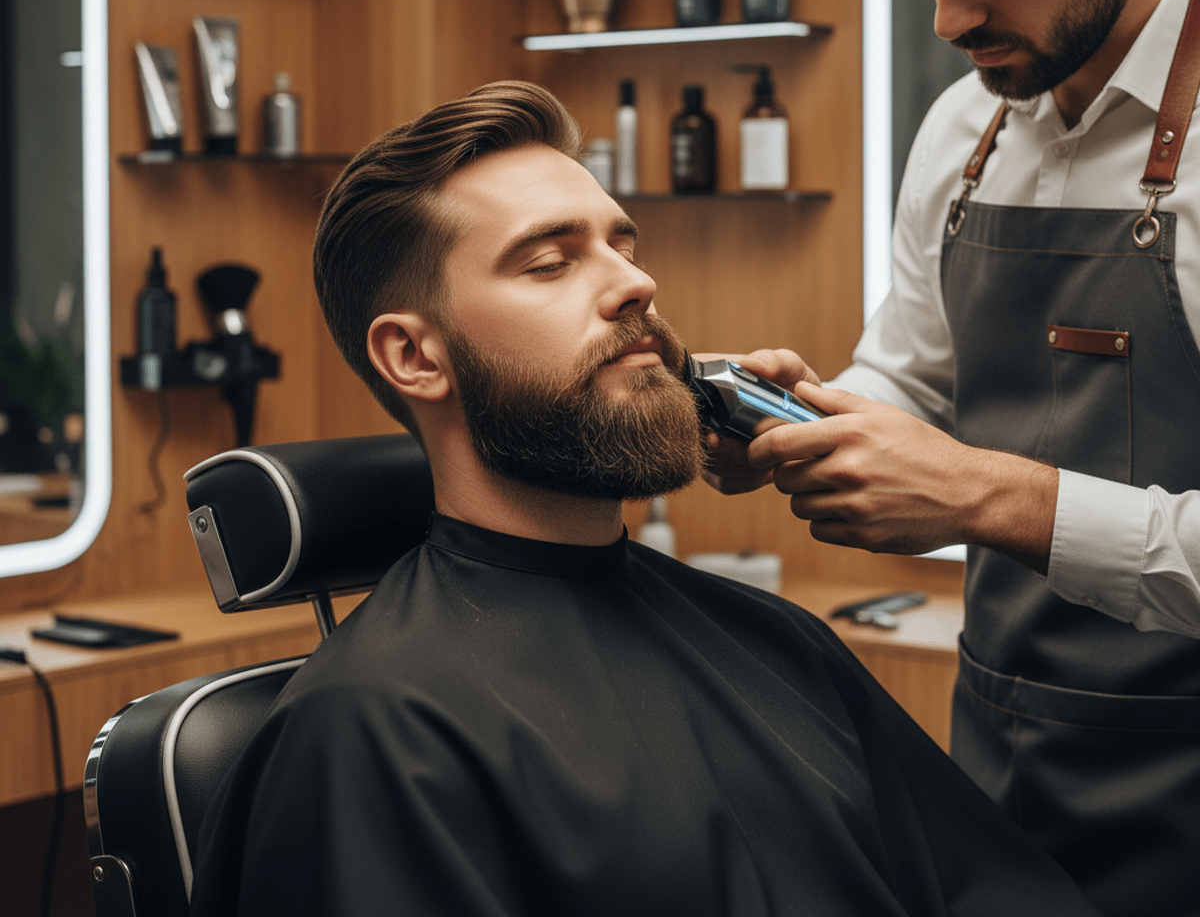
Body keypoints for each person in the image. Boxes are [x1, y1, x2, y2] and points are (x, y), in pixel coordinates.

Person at [188, 81, 1099, 916]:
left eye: (623, 246)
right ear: (415, 357)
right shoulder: (373, 732)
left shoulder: (780, 642)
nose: (636, 282)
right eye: (550, 262)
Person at [706, 0, 1200, 914]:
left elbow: (974, 479)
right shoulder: (964, 130)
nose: (946, 19)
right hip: (999, 766)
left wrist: (998, 499)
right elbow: (910, 381)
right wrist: (809, 418)